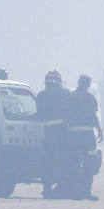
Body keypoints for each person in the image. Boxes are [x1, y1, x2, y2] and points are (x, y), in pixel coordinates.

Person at [66, 74, 103, 200]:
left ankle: (72, 191)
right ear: (87, 84)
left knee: (73, 162)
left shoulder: (70, 97)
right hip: (87, 136)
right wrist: (100, 131)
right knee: (89, 163)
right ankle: (86, 191)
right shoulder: (89, 97)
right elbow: (93, 116)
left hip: (72, 136)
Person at [36, 70, 73, 199]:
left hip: (48, 132)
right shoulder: (65, 93)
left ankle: (46, 188)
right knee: (64, 159)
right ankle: (63, 185)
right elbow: (71, 111)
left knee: (47, 160)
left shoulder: (41, 95)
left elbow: (39, 115)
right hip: (63, 131)